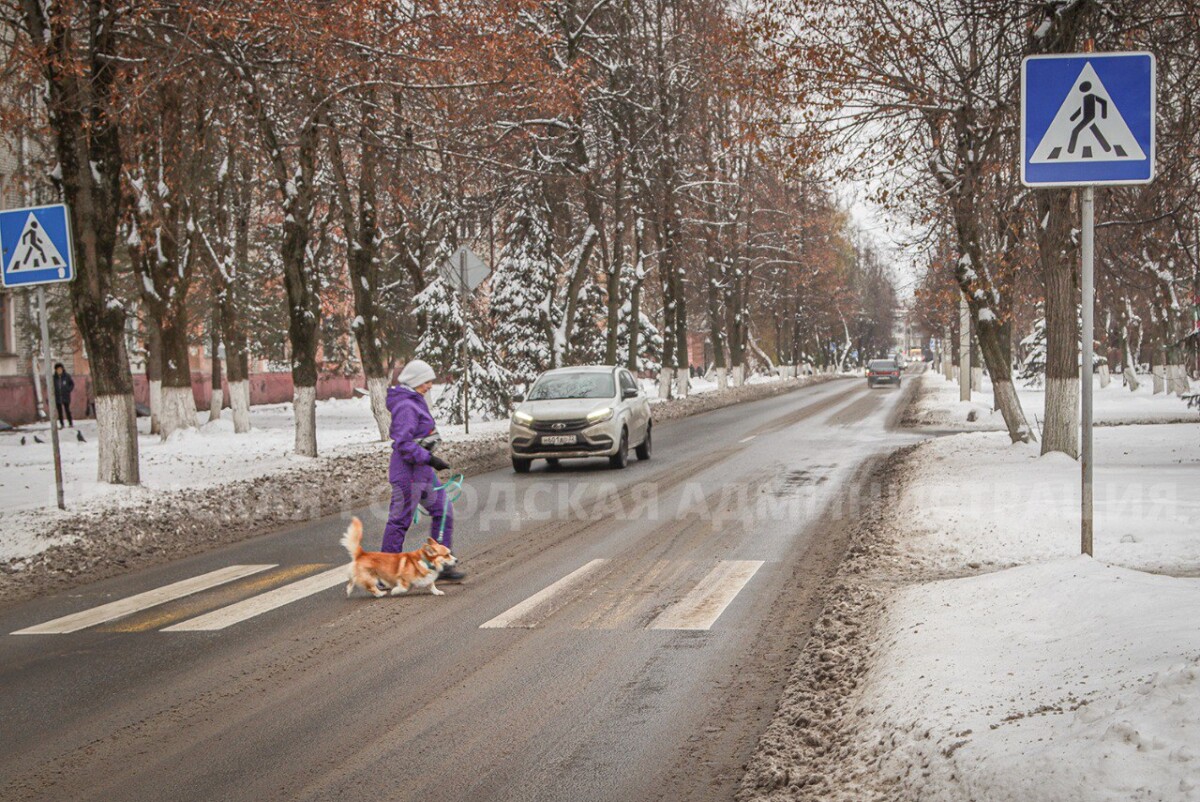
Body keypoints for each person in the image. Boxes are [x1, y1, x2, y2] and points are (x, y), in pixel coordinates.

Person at [382, 359, 465, 581]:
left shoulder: (414, 400)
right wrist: (430, 458)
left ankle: (440, 563)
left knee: (444, 511)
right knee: (399, 521)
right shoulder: (405, 406)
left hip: (422, 471)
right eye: (427, 381)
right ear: (416, 380)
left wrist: (429, 459)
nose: (429, 385)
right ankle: (385, 572)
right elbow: (403, 443)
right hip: (408, 473)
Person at [53, 363, 74, 429]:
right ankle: (62, 424)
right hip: (58, 397)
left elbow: (72, 384)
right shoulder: (54, 377)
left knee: (67, 410)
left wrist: (68, 390)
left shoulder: (67, 376)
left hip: (65, 396)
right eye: (58, 369)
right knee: (59, 411)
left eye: (60, 369)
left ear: (62, 369)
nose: (59, 370)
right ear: (56, 370)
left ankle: (70, 422)